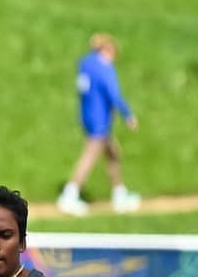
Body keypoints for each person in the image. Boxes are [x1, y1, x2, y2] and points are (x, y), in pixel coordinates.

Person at [58, 34, 140, 216]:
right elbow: (113, 94)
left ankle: (119, 193)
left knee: (112, 153)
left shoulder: (85, 64)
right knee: (90, 155)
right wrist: (128, 115)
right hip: (100, 119)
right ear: (107, 50)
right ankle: (70, 194)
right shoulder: (104, 68)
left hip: (87, 115)